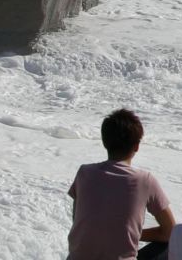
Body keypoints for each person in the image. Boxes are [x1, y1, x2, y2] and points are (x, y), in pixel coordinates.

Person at [67, 108, 175, 260]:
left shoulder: (84, 173)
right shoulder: (145, 180)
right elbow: (170, 232)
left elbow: (80, 223)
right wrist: (134, 234)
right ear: (136, 146)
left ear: (105, 142)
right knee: (169, 245)